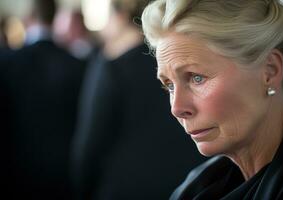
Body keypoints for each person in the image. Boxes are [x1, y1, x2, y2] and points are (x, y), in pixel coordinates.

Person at [141, 0, 283, 199]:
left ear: (270, 70)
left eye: (196, 78)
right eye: (169, 85)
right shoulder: (196, 187)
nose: (177, 108)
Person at [70, 0, 205, 199]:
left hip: (126, 186)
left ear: (120, 17)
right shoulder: (181, 59)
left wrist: (81, 187)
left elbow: (91, 141)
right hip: (187, 182)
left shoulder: (112, 68)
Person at [0, 0, 86, 199]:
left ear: (27, 19)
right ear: (55, 17)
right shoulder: (79, 65)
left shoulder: (6, 63)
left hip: (16, 171)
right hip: (65, 174)